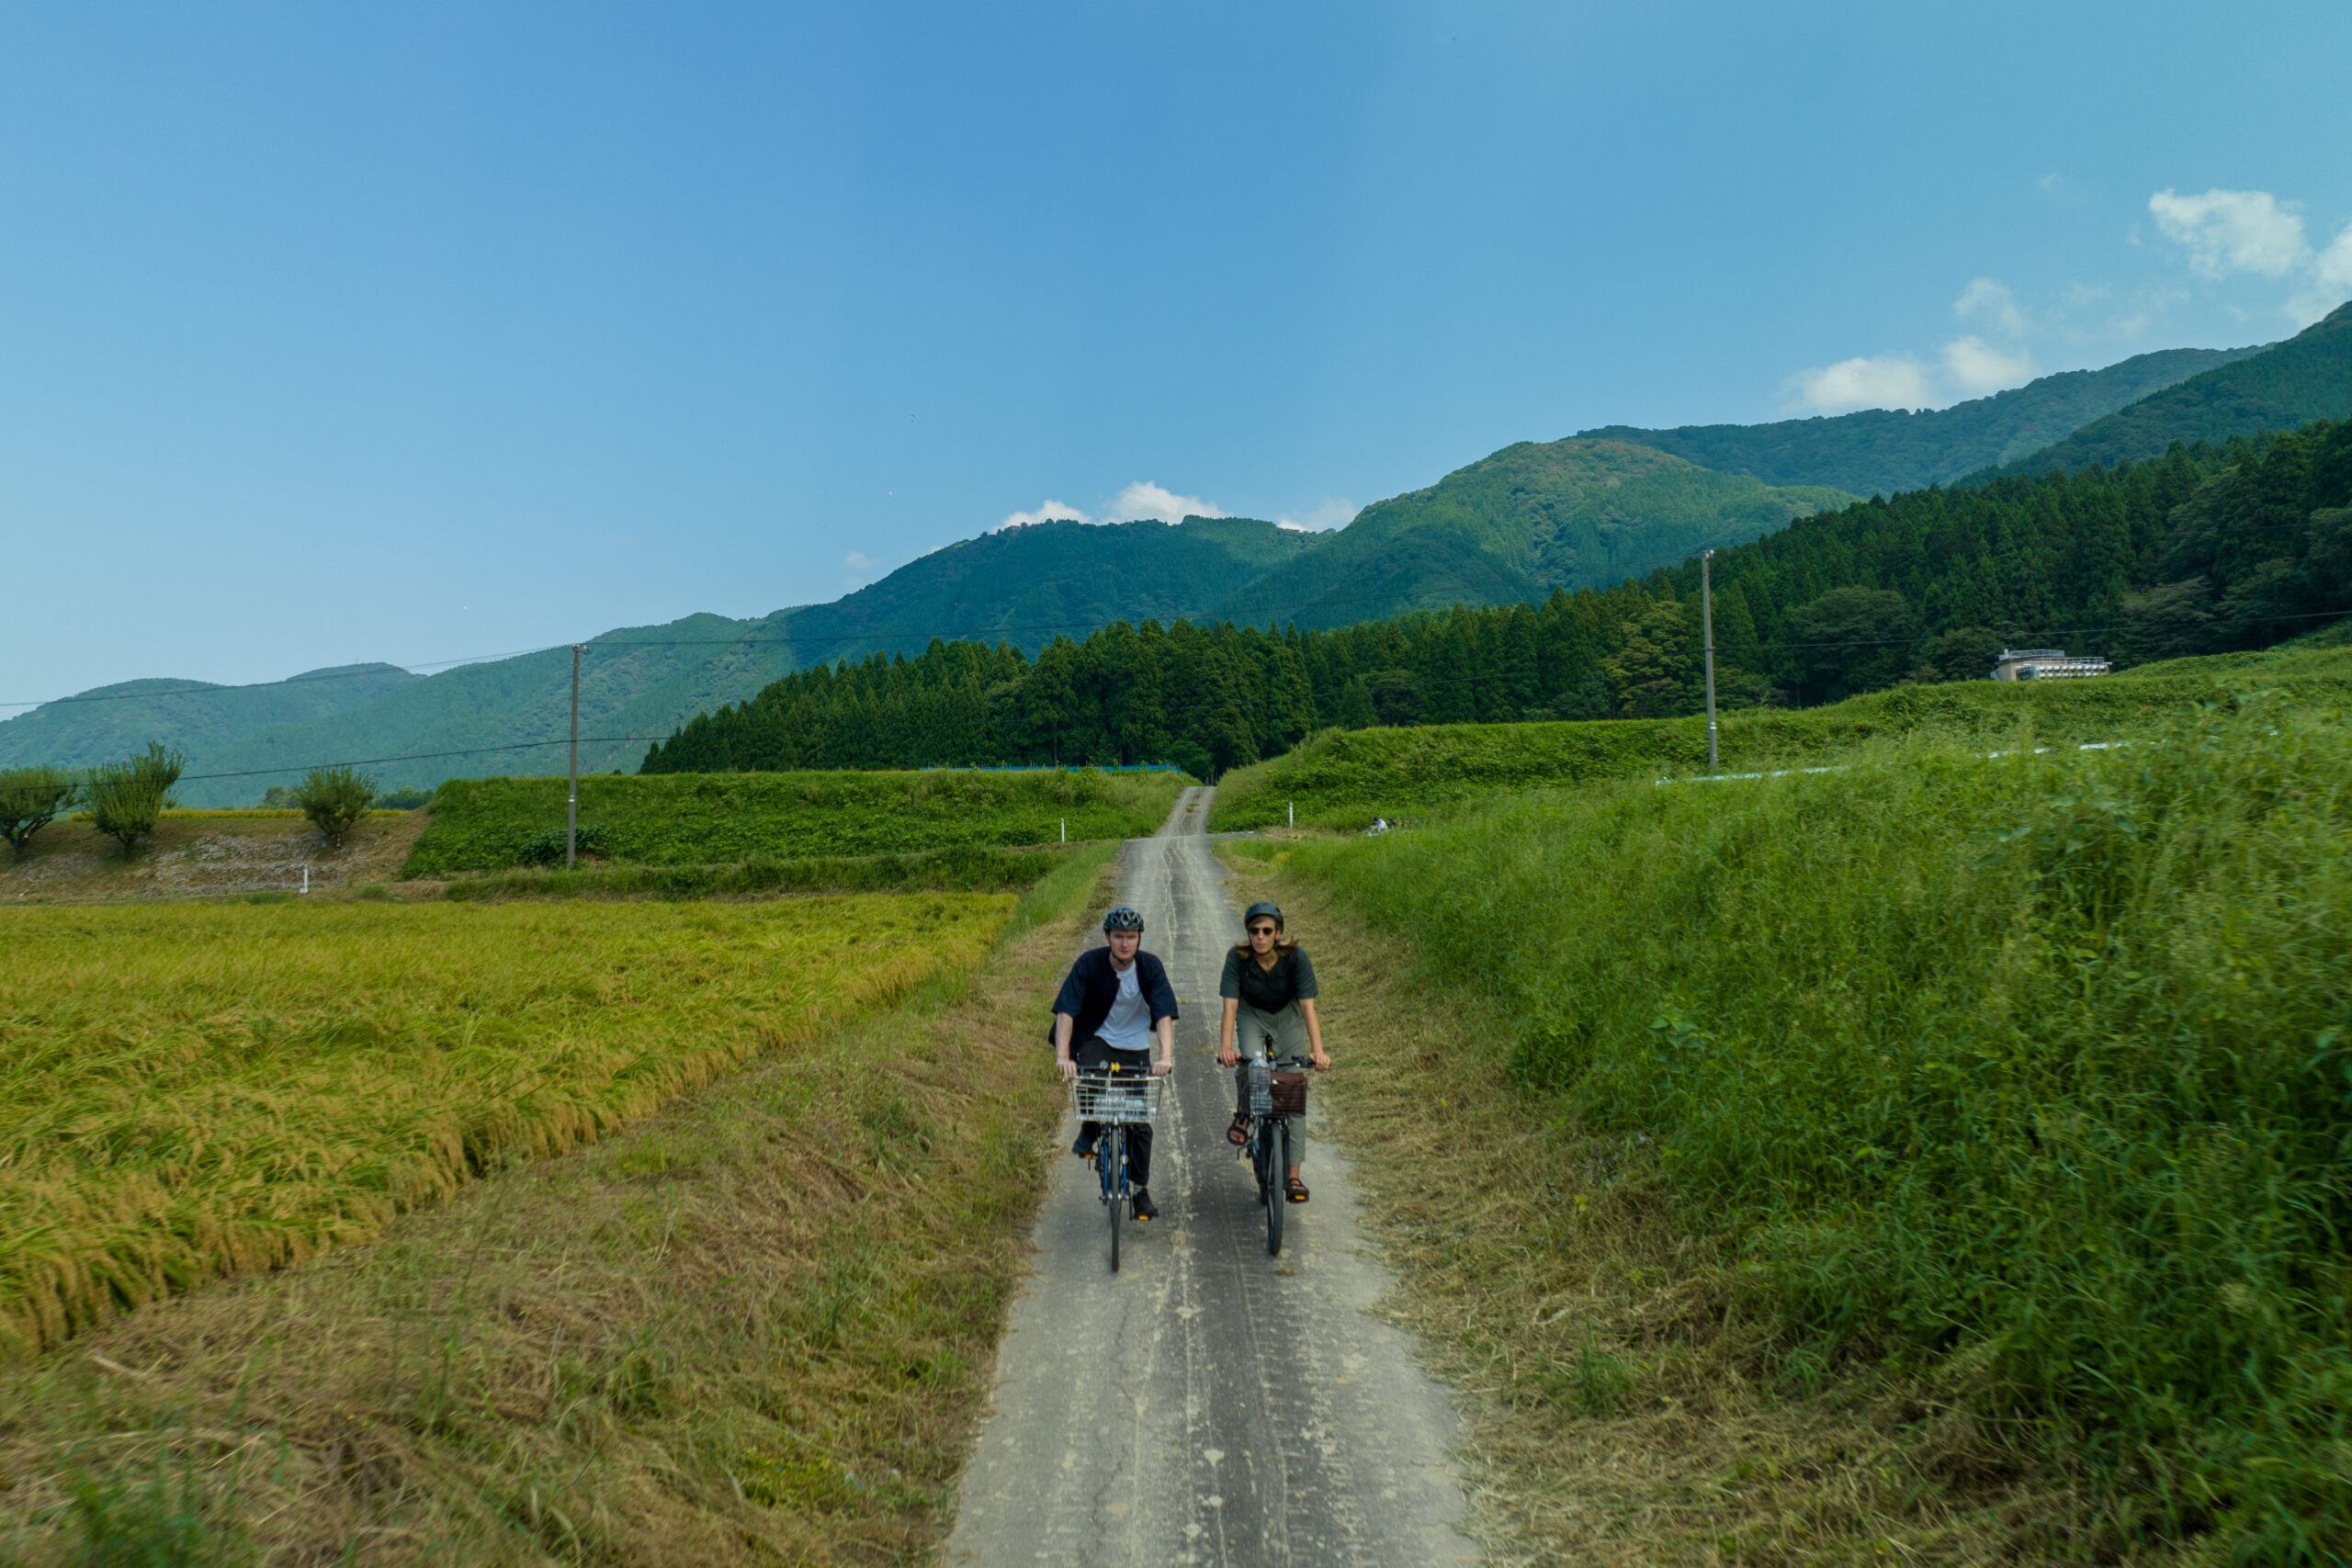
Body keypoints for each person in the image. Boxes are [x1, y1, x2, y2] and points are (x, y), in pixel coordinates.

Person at [1052, 904, 1178, 1221]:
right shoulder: (1089, 964)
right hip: (1097, 1037)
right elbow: (1066, 1010)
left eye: (1131, 937)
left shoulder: (1149, 968)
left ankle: (1140, 1191)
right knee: (1090, 1078)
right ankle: (1090, 1129)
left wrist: (1165, 1056)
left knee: (1140, 1120)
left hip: (1134, 1045)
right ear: (1107, 937)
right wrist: (1064, 1056)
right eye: (1119, 936)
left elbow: (1163, 1013)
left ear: (1139, 939)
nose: (1125, 943)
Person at [1216, 900, 1329, 1203]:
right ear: (1248, 933)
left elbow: (1308, 1007)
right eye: (1255, 931)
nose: (1261, 936)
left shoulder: (1296, 958)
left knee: (1293, 1093)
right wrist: (1226, 1048)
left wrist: (1318, 1052)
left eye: (1267, 931)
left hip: (1288, 1017)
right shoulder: (1237, 959)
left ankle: (1293, 1175)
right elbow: (1230, 1006)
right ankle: (1245, 1111)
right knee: (1252, 1065)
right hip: (1252, 1015)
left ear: (1278, 933)